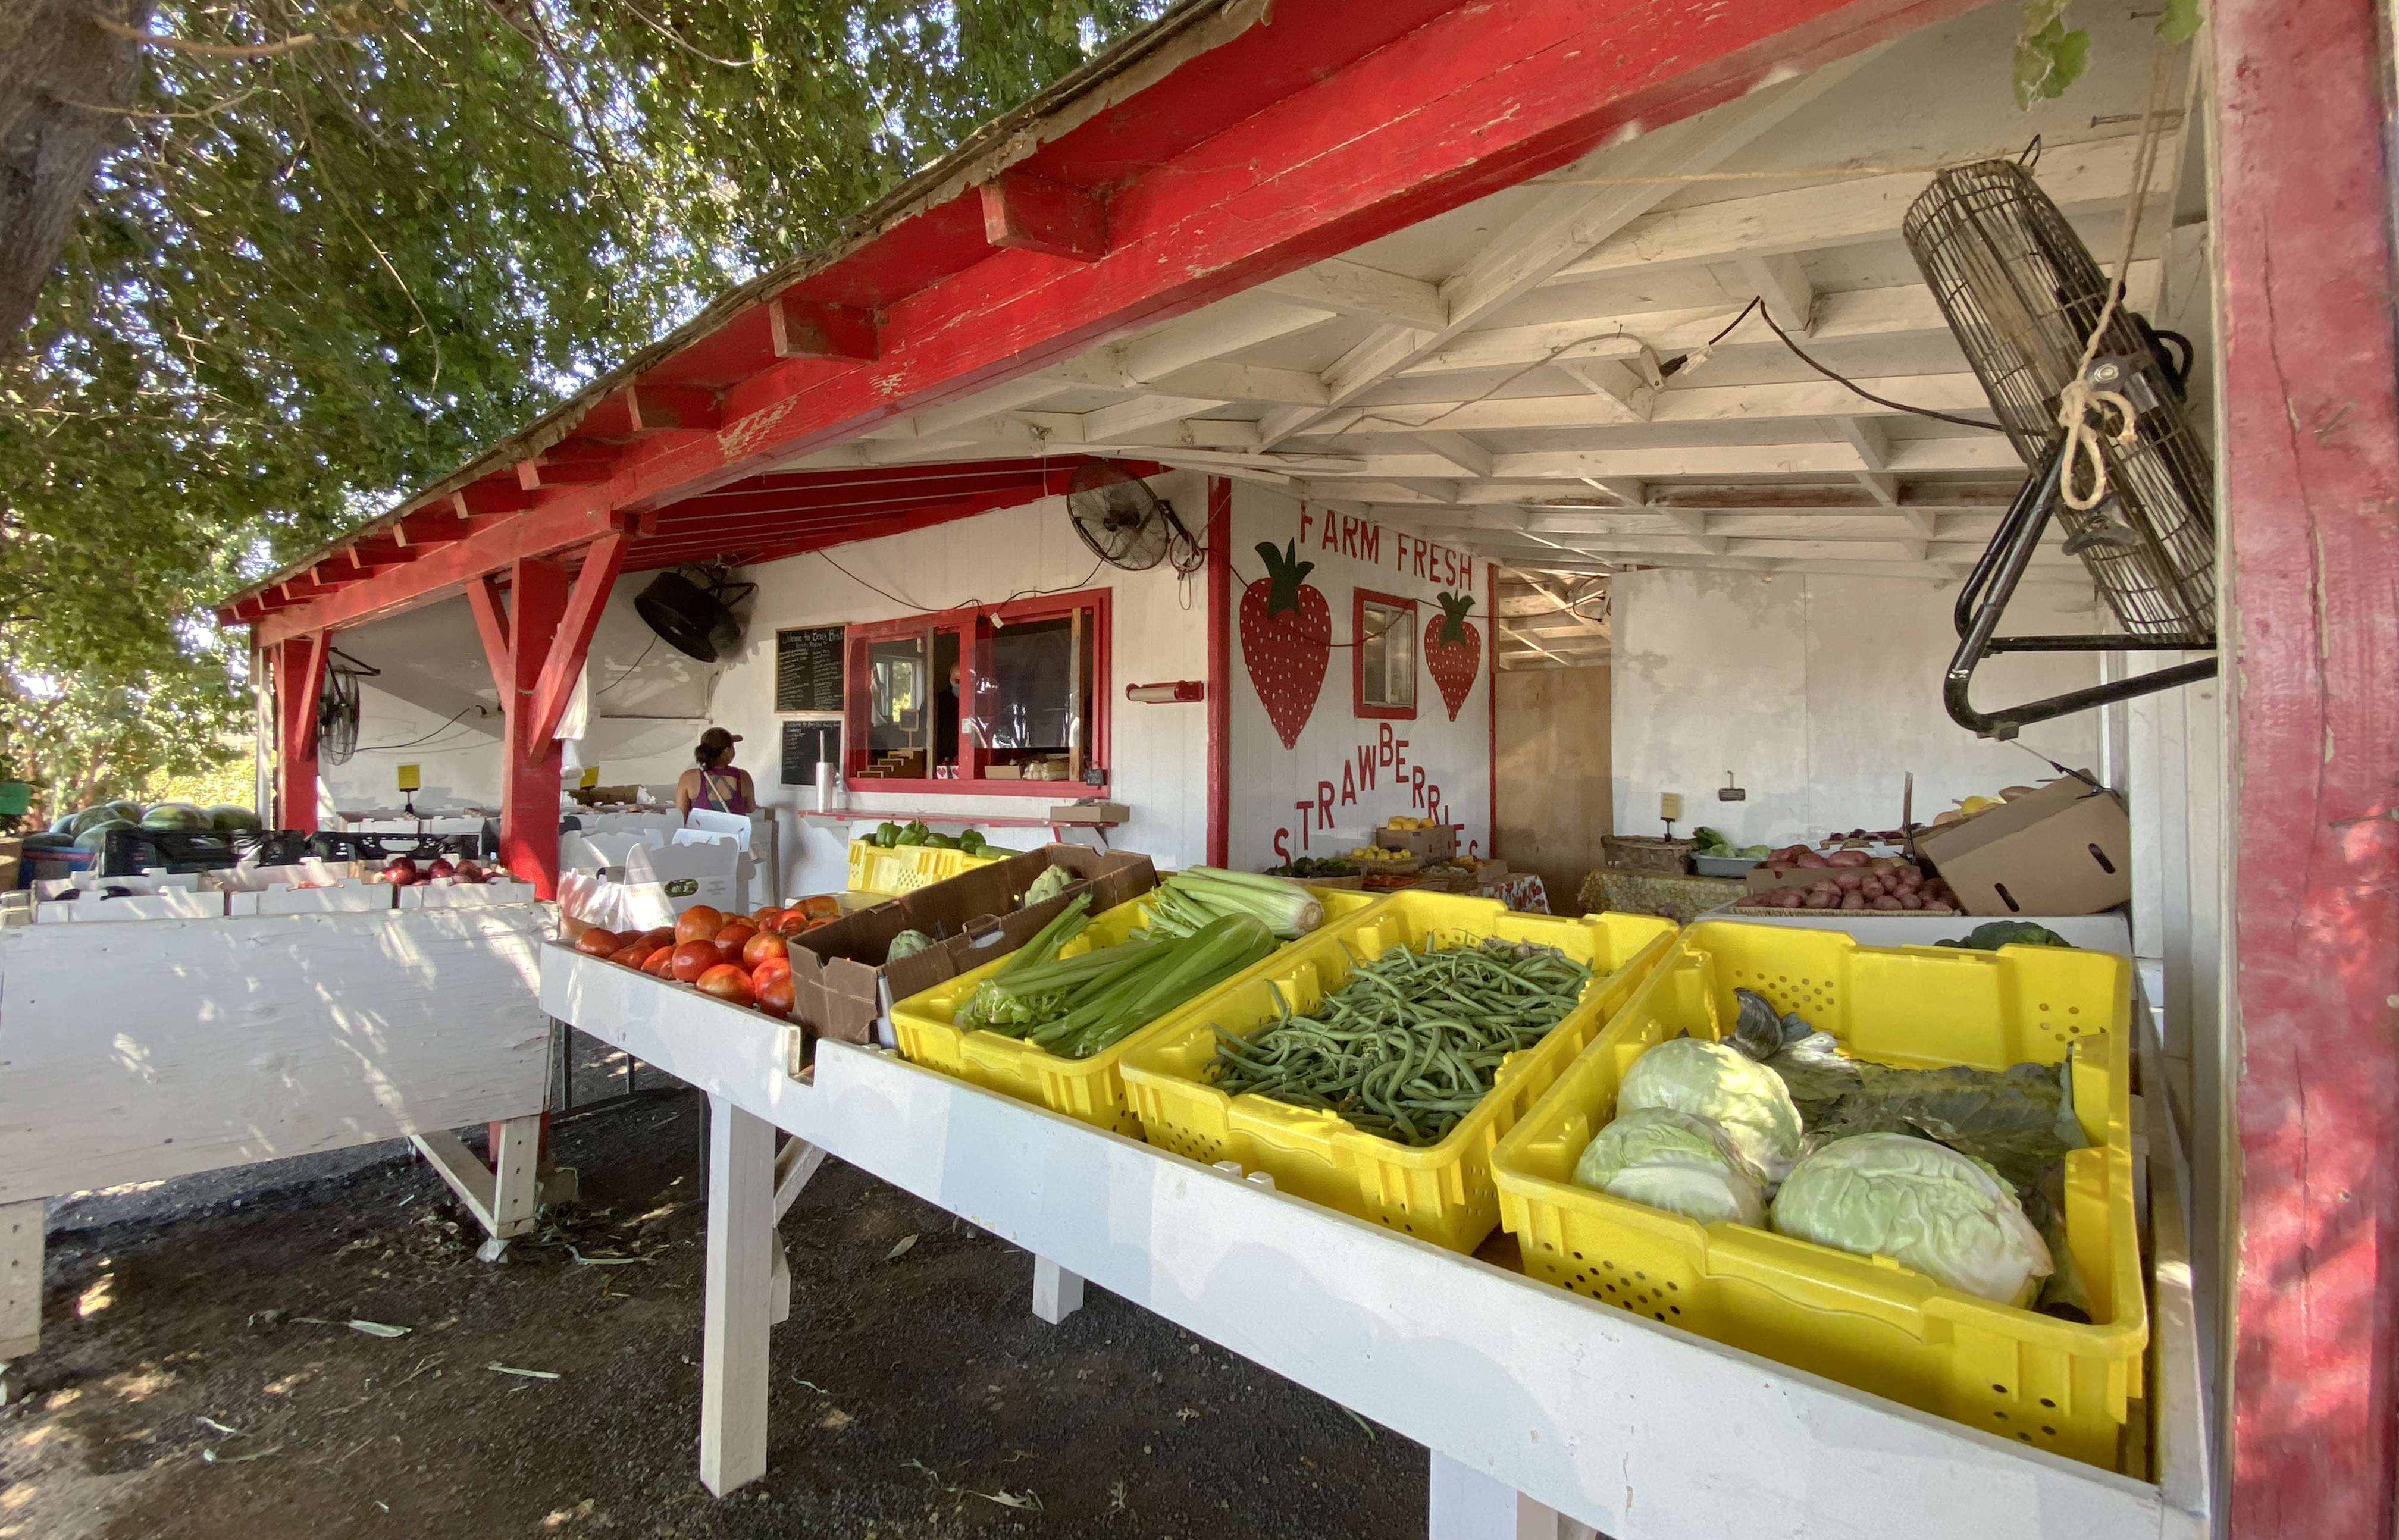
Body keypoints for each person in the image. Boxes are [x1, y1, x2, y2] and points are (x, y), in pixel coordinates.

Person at [677, 727, 754, 818]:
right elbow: (751, 808)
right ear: (727, 751)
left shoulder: (688, 777)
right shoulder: (743, 777)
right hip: (733, 832)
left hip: (700, 832)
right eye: (732, 746)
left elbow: (680, 815)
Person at [934, 661, 960, 767]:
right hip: (942, 756)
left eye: (965, 681)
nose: (961, 685)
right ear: (950, 680)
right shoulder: (937, 702)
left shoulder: (980, 701)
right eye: (957, 681)